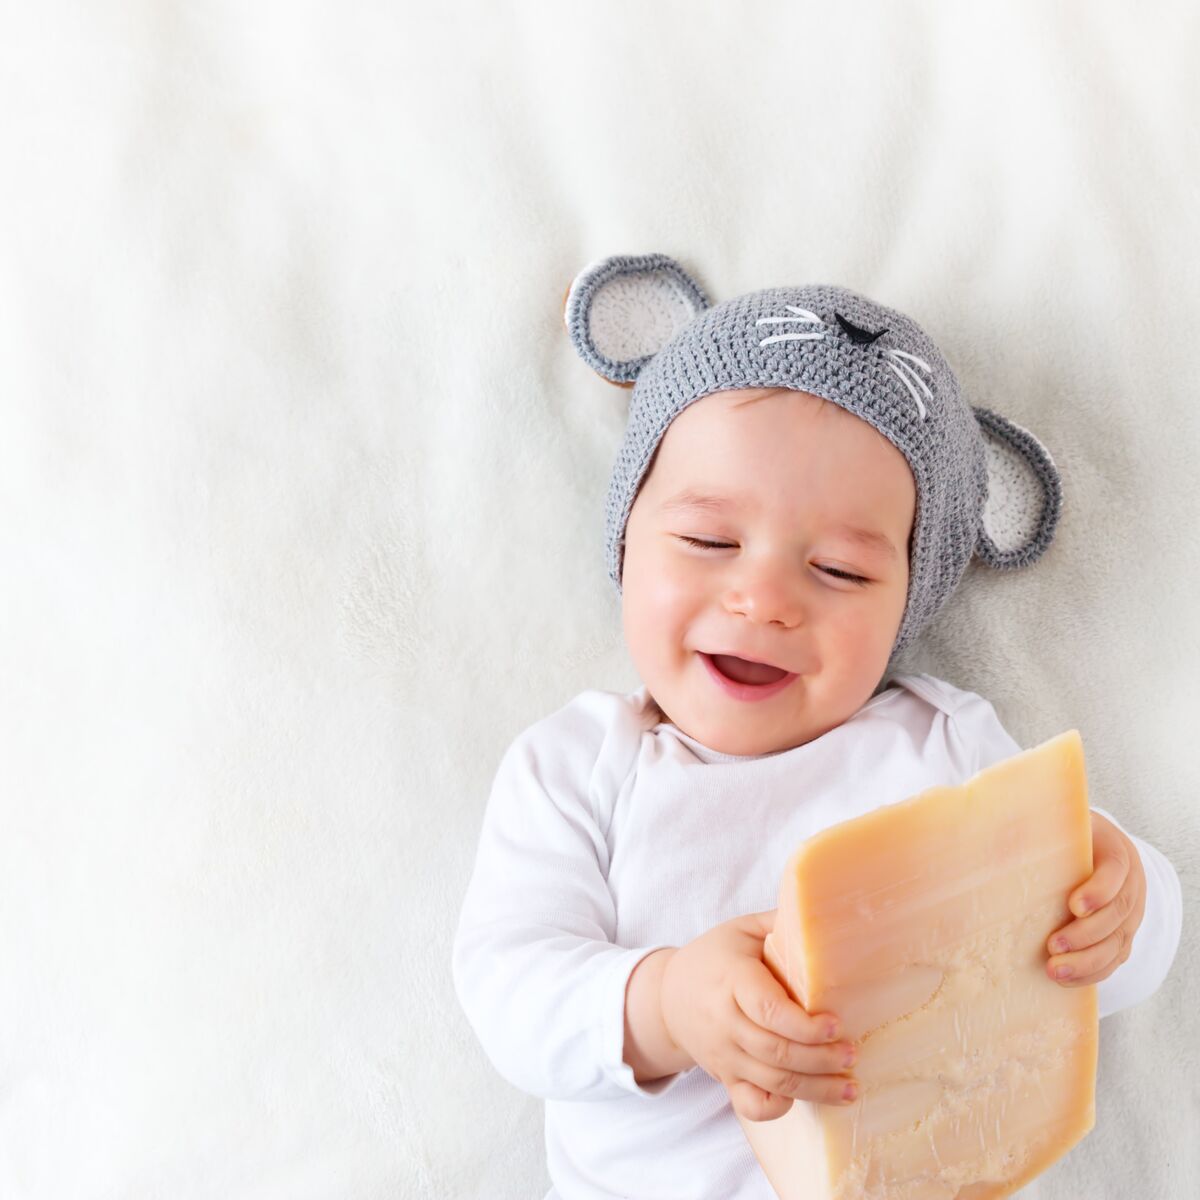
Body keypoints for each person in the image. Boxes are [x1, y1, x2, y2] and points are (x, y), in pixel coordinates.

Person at [451, 254, 1183, 1200]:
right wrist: (666, 1002)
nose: (762, 599)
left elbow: (1093, 977)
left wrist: (1123, 895)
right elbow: (510, 988)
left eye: (838, 570)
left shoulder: (942, 749)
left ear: (908, 605)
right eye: (709, 541)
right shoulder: (581, 768)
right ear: (626, 540)